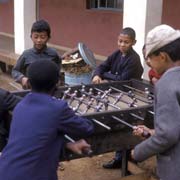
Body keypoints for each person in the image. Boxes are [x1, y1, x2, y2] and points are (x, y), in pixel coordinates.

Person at [0, 60, 94, 180]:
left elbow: (33, 140)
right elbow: (86, 128)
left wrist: (67, 144)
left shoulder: (21, 106)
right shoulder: (58, 108)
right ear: (57, 83)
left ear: (28, 82)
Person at [131, 24, 180, 180]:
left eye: (150, 57)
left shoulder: (166, 83)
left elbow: (167, 136)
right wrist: (152, 132)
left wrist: (138, 152)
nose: (149, 62)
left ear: (163, 56)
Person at [92, 27, 143, 169]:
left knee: (127, 126)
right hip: (117, 95)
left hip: (129, 97)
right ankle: (119, 158)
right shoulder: (116, 54)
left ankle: (126, 158)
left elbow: (122, 79)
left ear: (133, 42)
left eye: (126, 42)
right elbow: (102, 66)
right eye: (120, 41)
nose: (122, 45)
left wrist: (106, 76)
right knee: (117, 124)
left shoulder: (134, 59)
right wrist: (97, 74)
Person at [12, 19, 61, 89]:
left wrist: (58, 79)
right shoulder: (26, 54)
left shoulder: (53, 54)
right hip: (30, 90)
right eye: (36, 37)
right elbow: (15, 71)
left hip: (49, 91)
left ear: (48, 38)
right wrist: (22, 78)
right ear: (31, 37)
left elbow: (58, 69)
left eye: (43, 37)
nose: (39, 40)